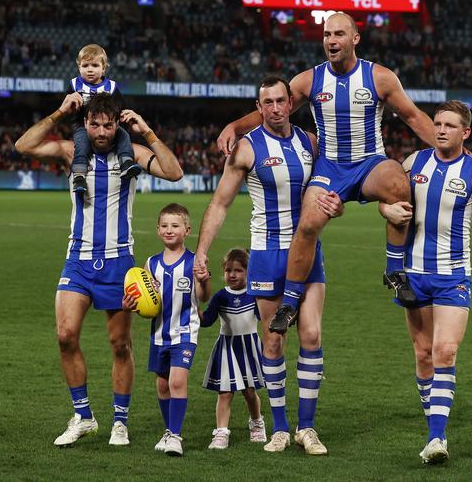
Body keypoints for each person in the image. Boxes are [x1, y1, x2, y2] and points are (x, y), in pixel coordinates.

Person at [217, 12, 438, 332]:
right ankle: (290, 302)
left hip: (368, 164)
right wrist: (235, 126)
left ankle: (394, 271)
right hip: (330, 168)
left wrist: (450, 151)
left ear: (355, 38)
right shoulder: (308, 80)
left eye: (338, 34)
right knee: (307, 223)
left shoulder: (379, 77)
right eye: (326, 35)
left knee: (397, 182)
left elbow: (414, 117)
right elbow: (270, 111)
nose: (331, 41)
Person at [14, 92, 183, 447]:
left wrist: (147, 131)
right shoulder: (71, 152)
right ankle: (84, 415)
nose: (102, 131)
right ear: (86, 123)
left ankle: (119, 421)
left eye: (108, 124)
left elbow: (173, 171)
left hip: (119, 263)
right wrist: (62, 110)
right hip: (78, 259)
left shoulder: (132, 154)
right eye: (95, 124)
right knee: (65, 335)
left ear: (117, 123)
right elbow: (23, 145)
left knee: (119, 344)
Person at [194, 76, 343, 456]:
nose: (275, 108)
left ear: (291, 103)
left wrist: (336, 206)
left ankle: (306, 429)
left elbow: (331, 190)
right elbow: (221, 203)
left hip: (307, 251)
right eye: (267, 103)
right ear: (258, 108)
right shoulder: (247, 148)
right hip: (265, 255)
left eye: (281, 100)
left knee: (311, 336)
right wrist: (202, 251)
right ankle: (279, 427)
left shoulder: (311, 142)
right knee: (273, 340)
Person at [379, 100, 472, 464]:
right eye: (438, 123)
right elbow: (386, 201)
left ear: (466, 133)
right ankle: (435, 425)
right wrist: (387, 209)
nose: (441, 129)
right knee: (423, 354)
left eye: (449, 125)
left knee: (445, 351)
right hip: (412, 275)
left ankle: (436, 437)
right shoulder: (414, 164)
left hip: (453, 277)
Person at [124, 203, 211, 457]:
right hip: (160, 333)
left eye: (175, 226)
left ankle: (175, 435)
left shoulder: (195, 261)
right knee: (162, 385)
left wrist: (204, 281)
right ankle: (168, 429)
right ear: (157, 230)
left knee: (177, 380)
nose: (169, 230)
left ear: (187, 230)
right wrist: (131, 304)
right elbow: (146, 304)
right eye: (164, 226)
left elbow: (203, 297)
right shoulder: (150, 264)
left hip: (185, 332)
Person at [199, 248, 267, 450]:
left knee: (249, 391)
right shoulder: (221, 296)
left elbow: (265, 317)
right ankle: (221, 432)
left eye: (238, 270)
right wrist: (194, 310)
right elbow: (207, 320)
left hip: (249, 347)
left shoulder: (254, 294)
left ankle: (256, 422)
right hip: (227, 348)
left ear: (248, 272)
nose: (232, 274)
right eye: (228, 270)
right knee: (225, 392)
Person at [68, 44, 141, 194]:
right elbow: (67, 107)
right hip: (83, 126)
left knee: (124, 136)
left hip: (108, 125)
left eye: (94, 65)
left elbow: (120, 107)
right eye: (85, 65)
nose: (89, 69)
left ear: (104, 68)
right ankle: (79, 176)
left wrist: (126, 115)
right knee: (81, 145)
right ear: (79, 67)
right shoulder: (75, 85)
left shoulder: (111, 87)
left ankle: (126, 163)